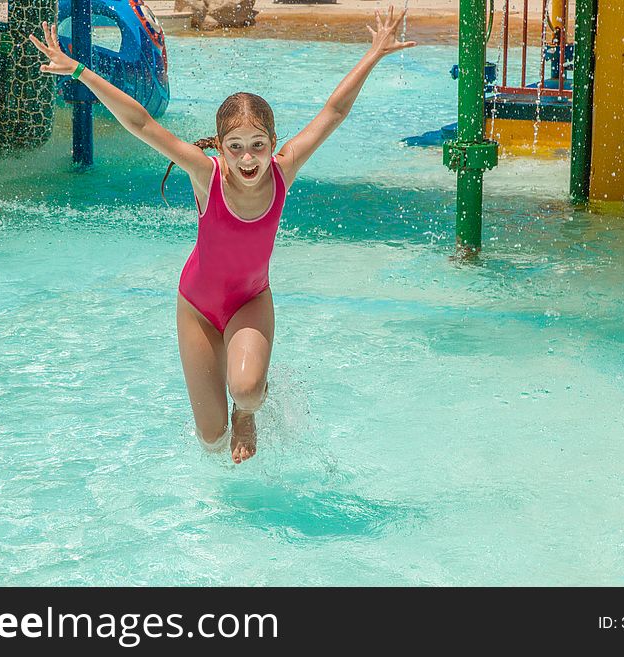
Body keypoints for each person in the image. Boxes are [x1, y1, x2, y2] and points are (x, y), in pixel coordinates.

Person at [28, 6, 415, 463]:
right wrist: (79, 70)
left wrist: (372, 54)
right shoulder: (205, 175)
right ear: (221, 147)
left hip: (250, 300)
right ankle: (230, 414)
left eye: (258, 146)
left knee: (247, 391)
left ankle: (247, 411)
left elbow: (333, 111)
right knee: (211, 440)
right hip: (196, 306)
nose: (248, 159)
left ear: (273, 144)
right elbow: (141, 124)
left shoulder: (284, 171)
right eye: (236, 148)